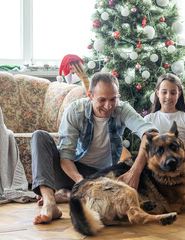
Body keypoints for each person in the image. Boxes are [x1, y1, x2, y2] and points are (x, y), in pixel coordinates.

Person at [31, 72, 157, 224]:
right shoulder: (75, 110)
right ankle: (50, 202)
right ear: (90, 96)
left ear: (118, 96)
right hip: (70, 172)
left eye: (113, 99)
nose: (108, 106)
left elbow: (151, 133)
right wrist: (82, 182)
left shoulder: (122, 109)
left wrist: (134, 172)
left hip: (101, 176)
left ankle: (69, 194)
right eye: (102, 100)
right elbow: (65, 157)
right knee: (39, 136)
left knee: (128, 170)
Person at [144, 73, 185, 197]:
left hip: (183, 170)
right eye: (164, 92)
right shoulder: (149, 119)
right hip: (159, 172)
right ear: (157, 93)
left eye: (173, 93)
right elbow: (146, 151)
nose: (168, 97)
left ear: (179, 94)